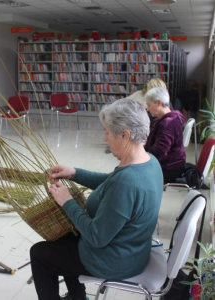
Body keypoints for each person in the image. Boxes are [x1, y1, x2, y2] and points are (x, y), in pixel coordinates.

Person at [30, 99, 163, 300]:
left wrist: (67, 201)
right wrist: (74, 173)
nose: (104, 137)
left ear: (125, 136)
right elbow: (109, 182)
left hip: (113, 261)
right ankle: (78, 297)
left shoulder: (127, 182)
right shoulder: (150, 162)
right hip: (133, 251)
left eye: (108, 132)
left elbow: (96, 236)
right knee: (66, 238)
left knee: (39, 254)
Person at [145, 86, 186, 184]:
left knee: (133, 174)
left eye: (149, 105)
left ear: (159, 103)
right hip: (174, 165)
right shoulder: (170, 118)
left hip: (170, 168)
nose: (147, 109)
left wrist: (141, 157)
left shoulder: (167, 123)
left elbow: (159, 152)